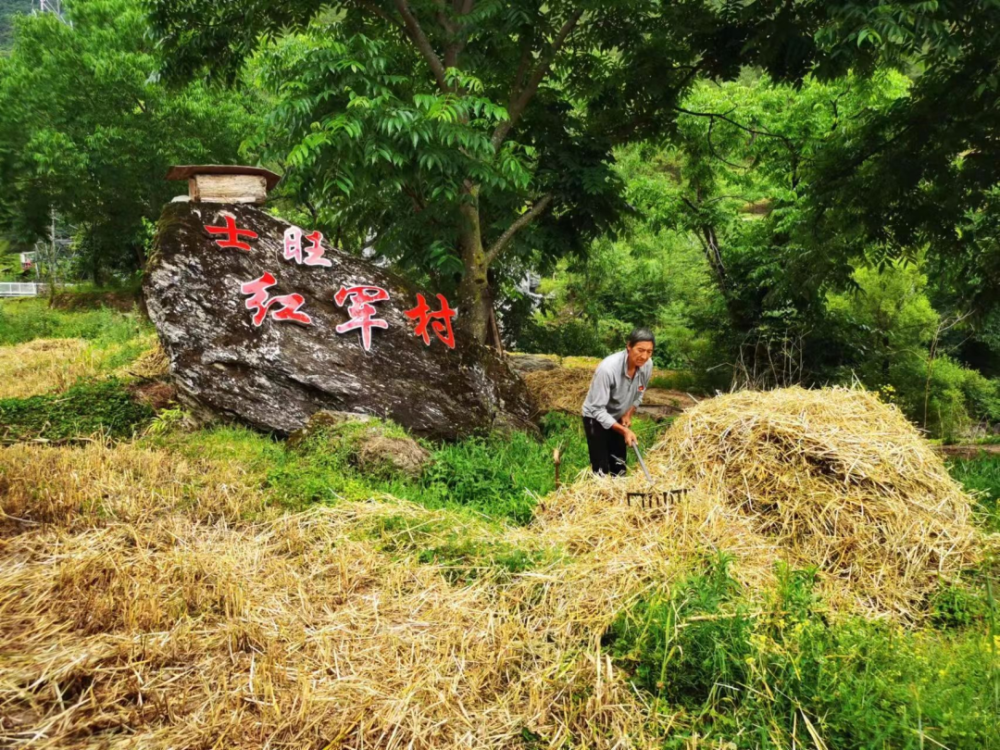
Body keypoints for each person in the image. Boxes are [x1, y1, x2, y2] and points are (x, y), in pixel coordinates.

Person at [581, 328, 655, 475]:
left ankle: (619, 494)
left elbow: (639, 393)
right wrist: (624, 430)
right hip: (595, 417)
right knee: (601, 469)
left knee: (619, 466)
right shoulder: (608, 369)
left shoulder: (647, 365)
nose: (644, 356)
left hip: (617, 417)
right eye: (640, 350)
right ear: (629, 346)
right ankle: (600, 493)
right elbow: (597, 409)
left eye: (649, 351)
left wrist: (628, 413)